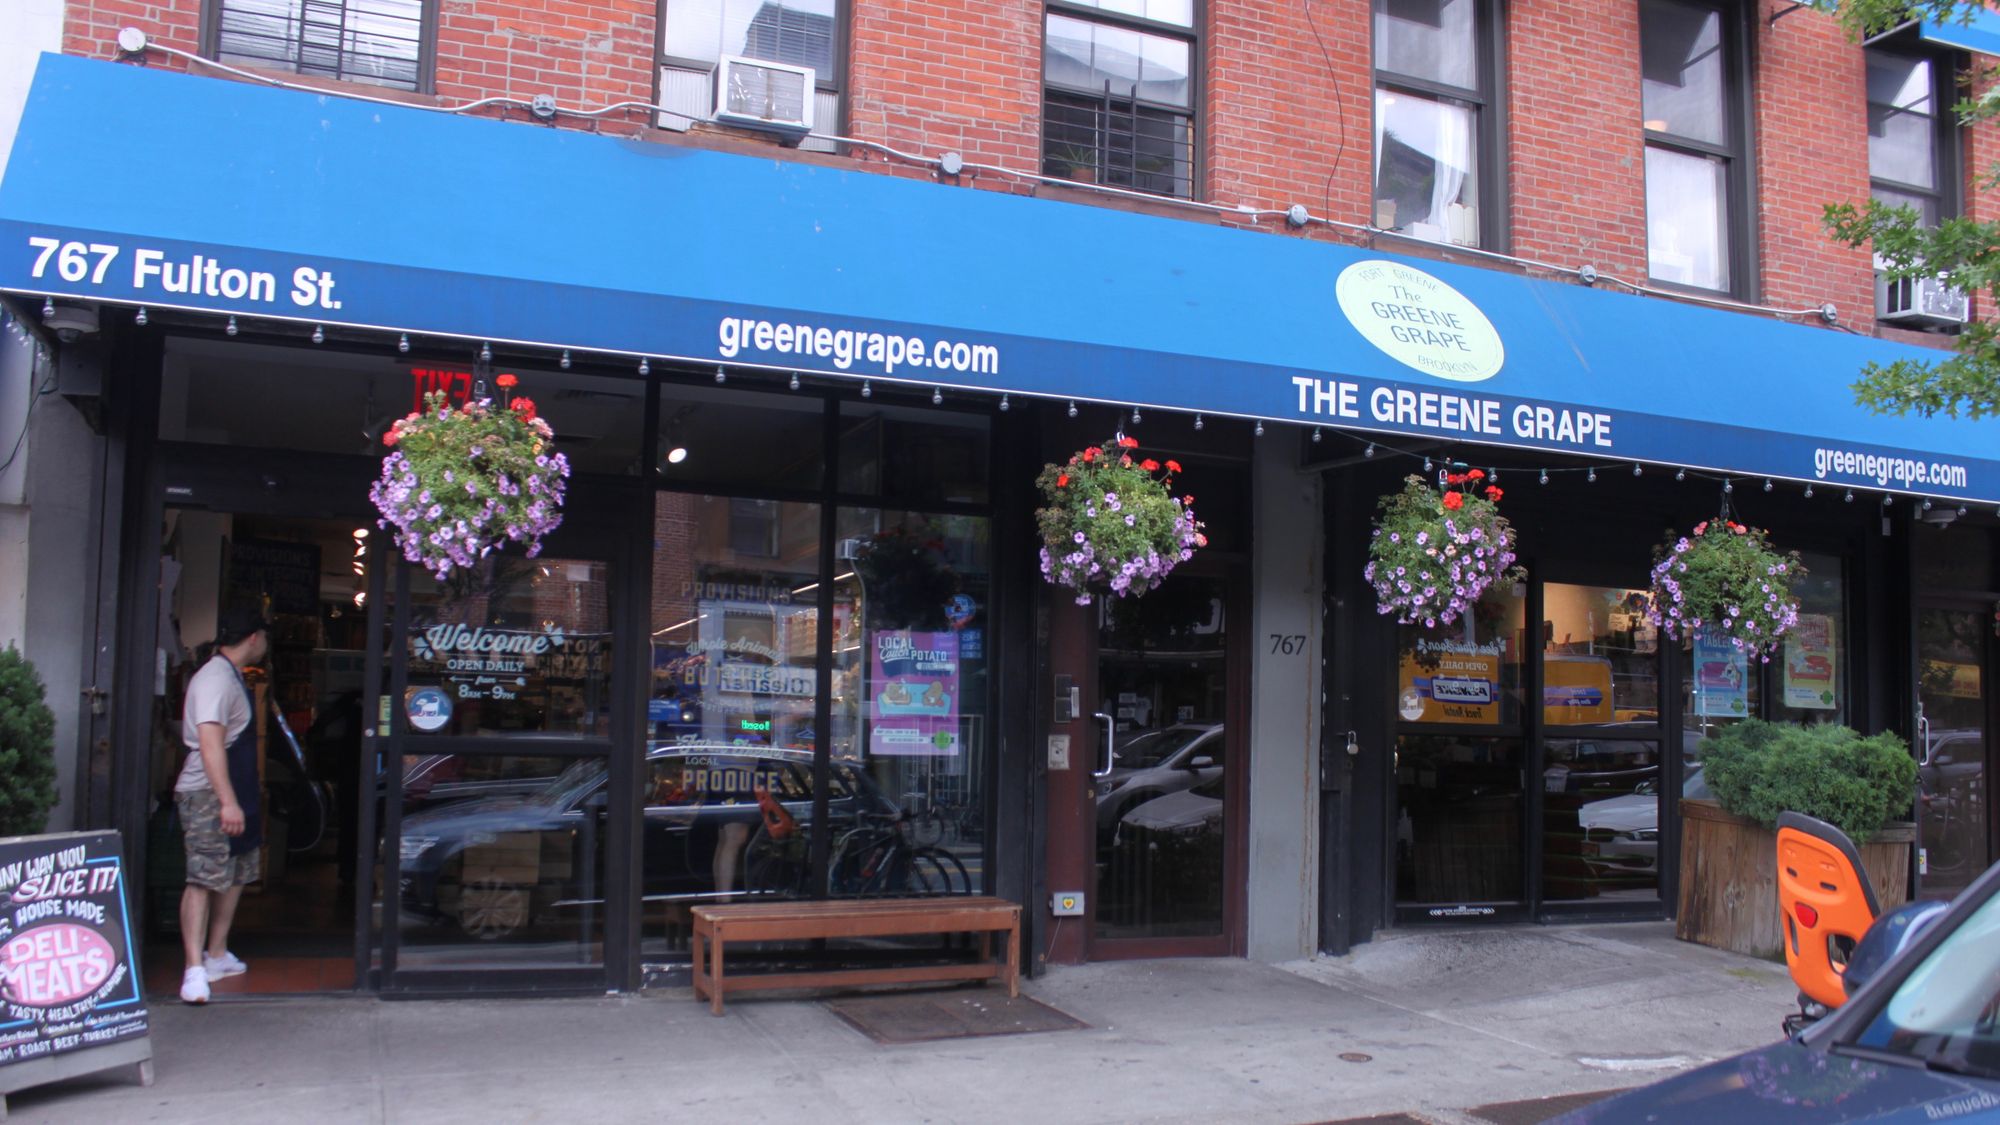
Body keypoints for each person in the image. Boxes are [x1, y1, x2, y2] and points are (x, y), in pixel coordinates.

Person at [174, 605, 270, 1004]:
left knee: (236, 871)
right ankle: (193, 969)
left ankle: (216, 953)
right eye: (265, 637)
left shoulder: (232, 677)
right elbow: (211, 744)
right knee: (202, 878)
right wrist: (227, 802)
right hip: (209, 794)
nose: (266, 644)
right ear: (253, 638)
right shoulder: (214, 678)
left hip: (237, 791)